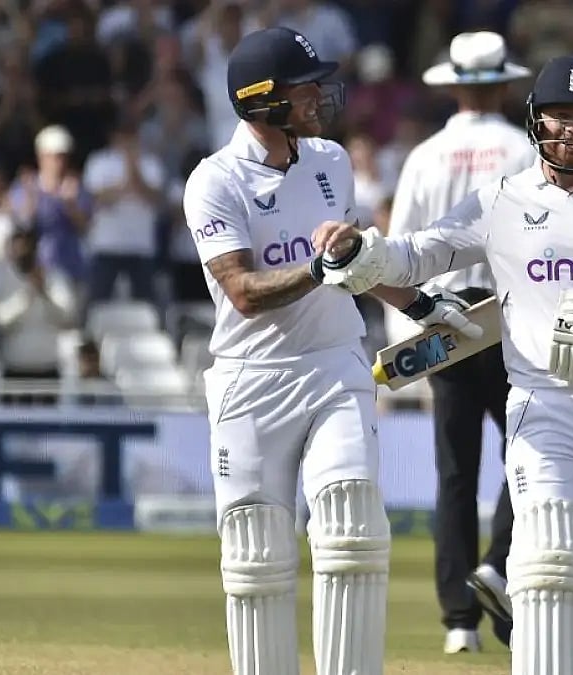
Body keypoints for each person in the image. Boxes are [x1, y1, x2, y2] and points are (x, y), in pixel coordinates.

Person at [309, 56, 573, 675]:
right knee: (546, 560)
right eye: (559, 118)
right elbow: (418, 256)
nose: (570, 132)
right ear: (535, 121)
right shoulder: (502, 198)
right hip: (545, 400)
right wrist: (362, 250)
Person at [181, 27, 481, 675]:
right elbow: (241, 290)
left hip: (335, 366)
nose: (320, 95)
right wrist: (320, 268)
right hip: (251, 381)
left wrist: (423, 306)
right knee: (256, 559)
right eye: (305, 86)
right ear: (262, 100)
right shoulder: (214, 181)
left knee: (353, 530)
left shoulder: (331, 161)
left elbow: (355, 265)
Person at [387, 30, 534, 654]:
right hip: (505, 323)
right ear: (502, 84)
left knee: (453, 474)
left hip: (440, 325)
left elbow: (398, 247)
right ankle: (498, 568)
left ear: (453, 87)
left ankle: (458, 623)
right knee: (526, 458)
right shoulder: (524, 149)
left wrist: (408, 337)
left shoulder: (424, 156)